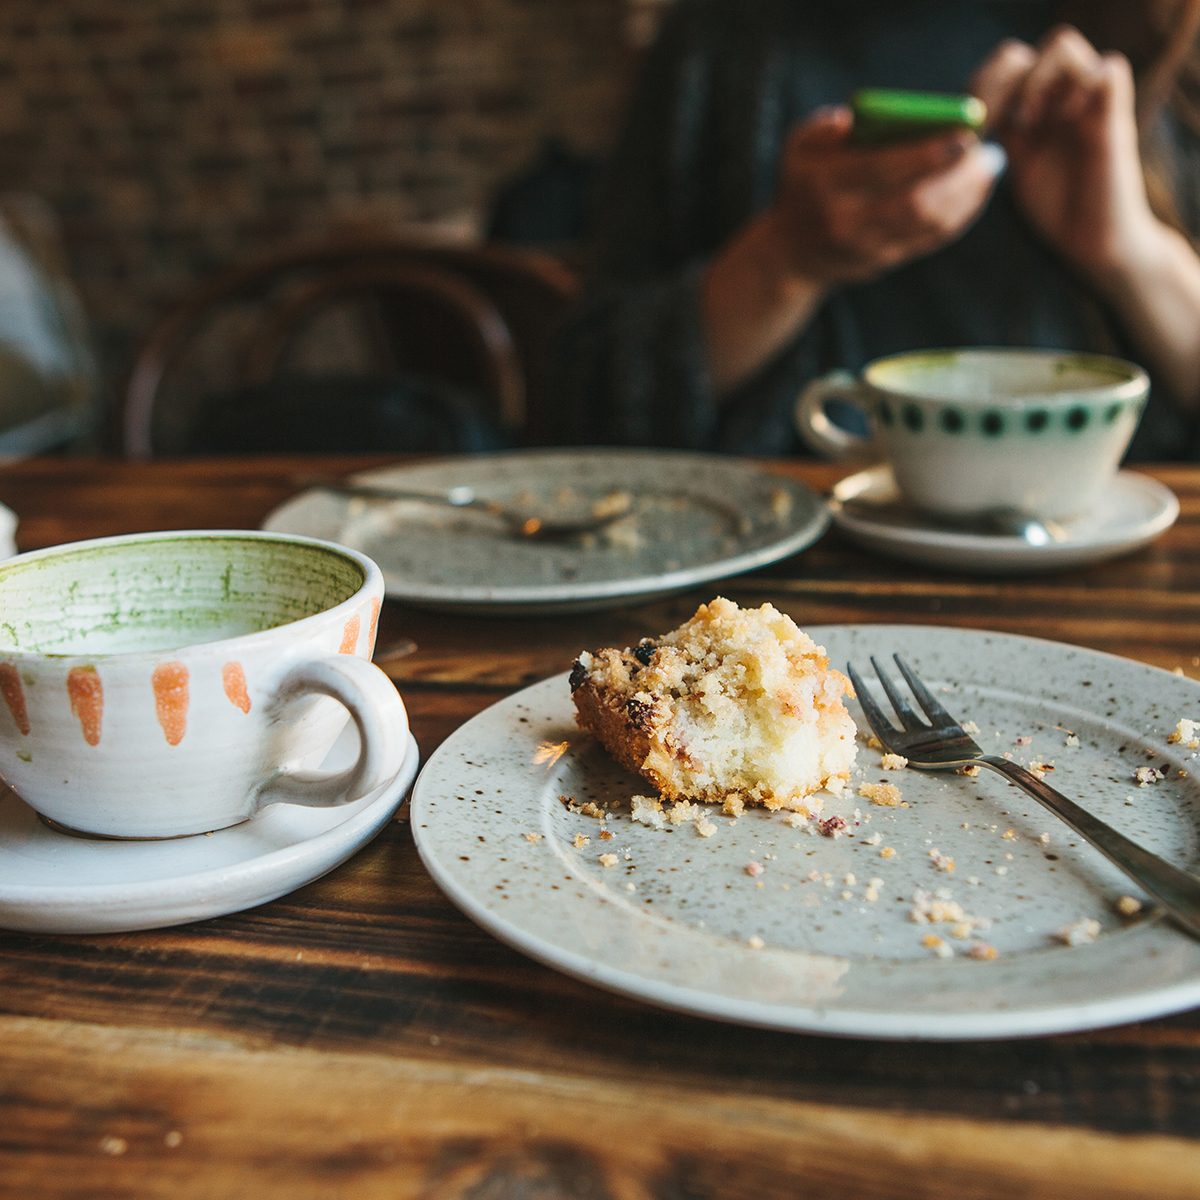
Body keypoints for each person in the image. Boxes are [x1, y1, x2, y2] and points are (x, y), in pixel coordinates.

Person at [552, 0, 1200, 459]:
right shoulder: (720, 39)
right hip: (786, 590)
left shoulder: (1159, 33)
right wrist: (784, 263)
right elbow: (587, 409)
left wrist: (1131, 252)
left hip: (1120, 579)